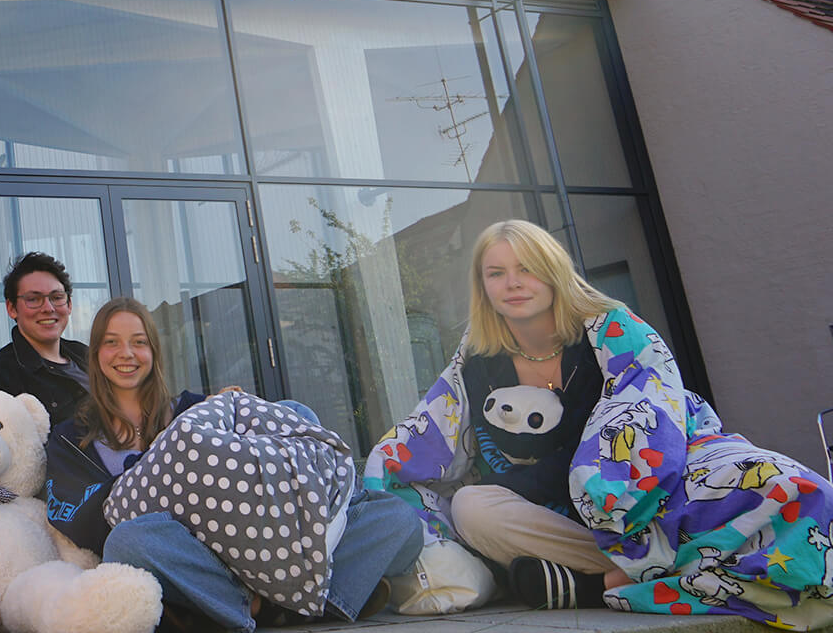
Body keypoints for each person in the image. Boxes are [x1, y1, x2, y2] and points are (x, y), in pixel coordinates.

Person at [369, 220, 832, 627]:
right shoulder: (480, 361)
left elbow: (648, 417)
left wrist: (596, 486)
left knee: (790, 488)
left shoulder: (608, 335)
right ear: (482, 286)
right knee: (471, 506)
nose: (513, 283)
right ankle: (655, 570)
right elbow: (447, 437)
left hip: (649, 485)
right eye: (497, 273)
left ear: (552, 272)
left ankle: (590, 585)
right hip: (548, 512)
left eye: (526, 268)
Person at [49, 298, 423, 631]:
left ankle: (261, 606)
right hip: (189, 557)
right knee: (127, 542)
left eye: (139, 342)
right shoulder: (72, 436)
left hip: (267, 541)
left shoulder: (196, 410)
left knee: (397, 517)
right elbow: (80, 517)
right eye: (112, 342)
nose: (126, 353)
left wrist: (237, 419)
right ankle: (277, 605)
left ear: (154, 352)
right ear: (96, 353)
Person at [0, 251, 90, 422]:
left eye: (57, 297)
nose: (48, 308)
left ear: (69, 304)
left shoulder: (86, 355)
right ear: (12, 308)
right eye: (34, 299)